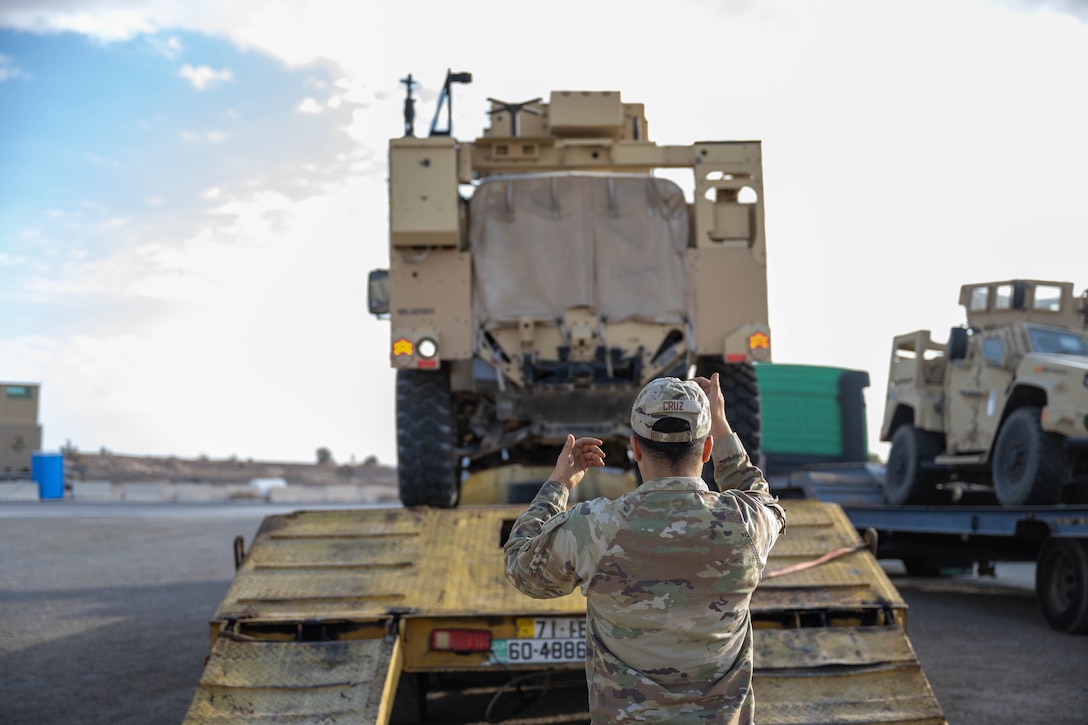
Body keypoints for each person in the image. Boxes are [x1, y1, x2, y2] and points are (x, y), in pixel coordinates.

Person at [503, 373, 786, 724]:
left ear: (635, 448)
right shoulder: (744, 524)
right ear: (708, 449)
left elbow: (521, 567)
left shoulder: (595, 526)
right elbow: (763, 500)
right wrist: (723, 426)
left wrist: (558, 484)